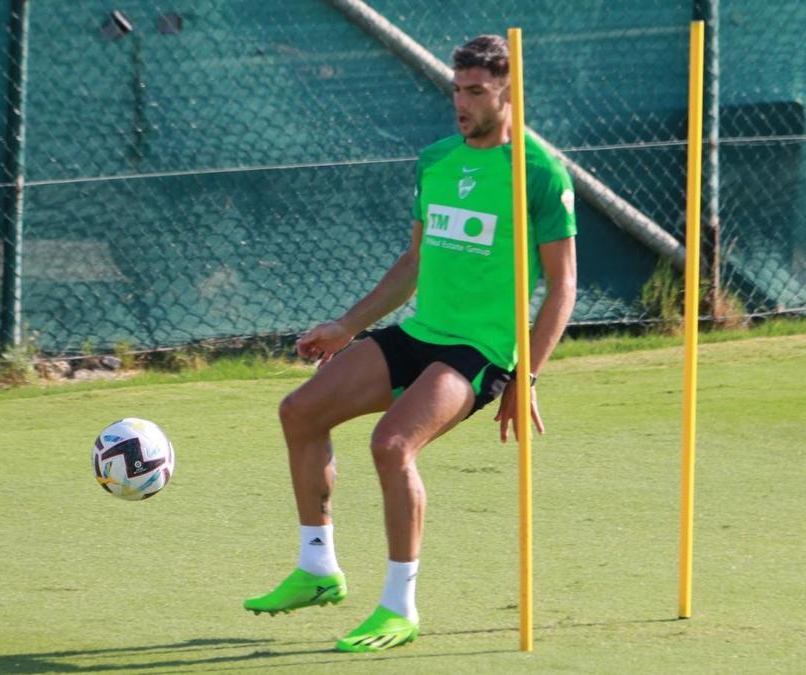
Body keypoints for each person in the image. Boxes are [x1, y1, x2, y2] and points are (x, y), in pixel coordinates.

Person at [243, 35, 578, 652]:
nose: (461, 102)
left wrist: (526, 375)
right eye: (457, 89)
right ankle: (318, 569)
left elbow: (562, 287)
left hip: (479, 352)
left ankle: (400, 607)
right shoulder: (436, 160)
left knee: (392, 444)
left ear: (509, 94)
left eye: (476, 91)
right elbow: (416, 260)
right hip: (421, 333)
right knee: (300, 411)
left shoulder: (540, 172)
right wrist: (347, 325)